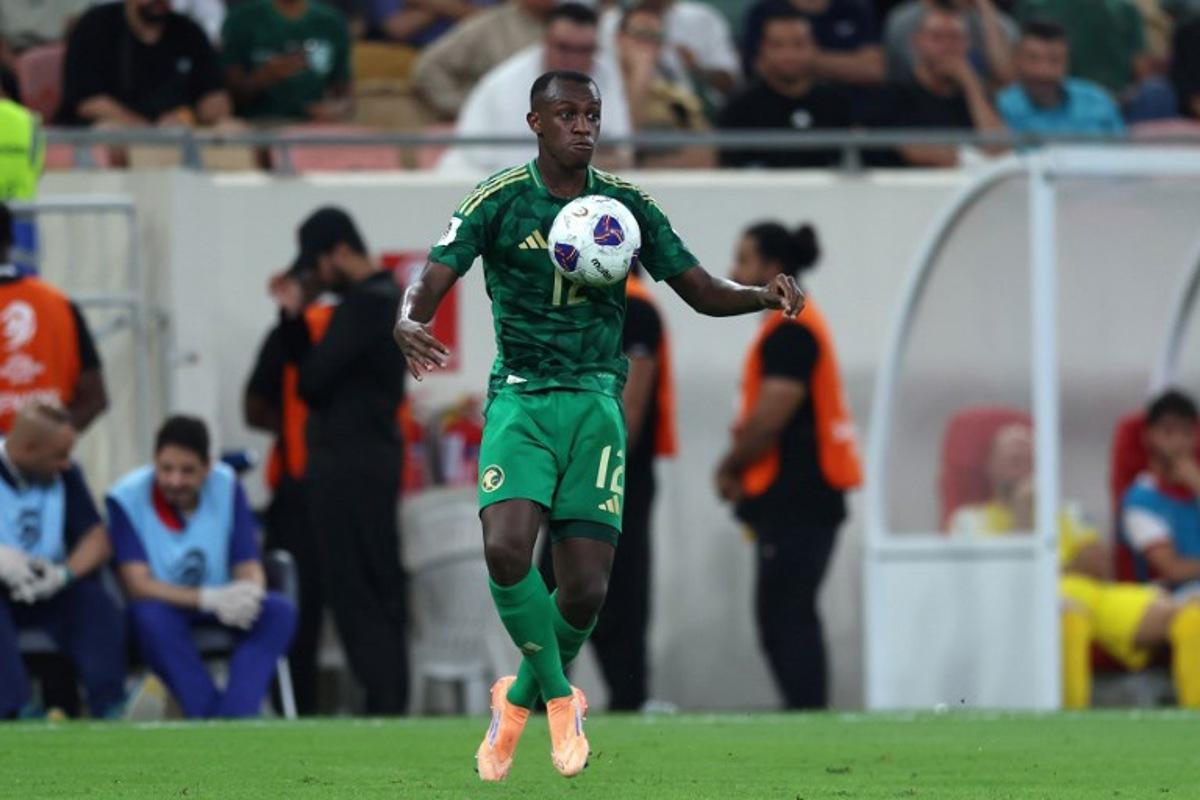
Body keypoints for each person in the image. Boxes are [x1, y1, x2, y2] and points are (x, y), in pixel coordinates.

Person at [393, 68, 803, 780]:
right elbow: (433, 275)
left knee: (583, 589)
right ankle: (561, 699)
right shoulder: (497, 201)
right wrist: (407, 321)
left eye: (592, 114)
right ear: (536, 123)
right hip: (521, 398)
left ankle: (514, 702)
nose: (583, 126)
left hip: (594, 403)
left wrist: (760, 296)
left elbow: (700, 290)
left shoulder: (625, 205)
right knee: (506, 547)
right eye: (567, 114)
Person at [950, 422, 1200, 709]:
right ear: (990, 466)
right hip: (1036, 607)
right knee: (1066, 616)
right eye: (1012, 457)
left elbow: (1099, 566)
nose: (1022, 463)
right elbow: (997, 583)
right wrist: (1023, 516)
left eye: (1028, 457)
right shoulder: (969, 520)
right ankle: (1068, 728)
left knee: (1191, 611)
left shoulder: (1067, 511)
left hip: (1095, 596)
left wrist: (1061, 564)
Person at [270, 207, 409, 715]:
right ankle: (387, 695)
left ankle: (383, 697)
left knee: (357, 584)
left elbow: (311, 381)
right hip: (369, 460)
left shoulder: (366, 303)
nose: (315, 277)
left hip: (350, 465)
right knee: (374, 579)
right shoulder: (383, 298)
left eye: (317, 264)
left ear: (338, 253)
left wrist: (293, 315)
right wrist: (293, 320)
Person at [716, 222, 861, 710]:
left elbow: (770, 418)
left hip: (799, 498)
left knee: (787, 616)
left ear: (771, 270)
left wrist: (730, 467)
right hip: (802, 498)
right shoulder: (791, 325)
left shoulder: (790, 330)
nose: (733, 272)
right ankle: (806, 714)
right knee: (784, 615)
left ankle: (809, 717)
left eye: (743, 260)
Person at [108, 416, 297, 718]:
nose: (175, 480)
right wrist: (206, 598)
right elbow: (137, 584)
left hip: (226, 604)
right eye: (166, 469)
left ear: (207, 467)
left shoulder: (227, 485)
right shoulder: (126, 497)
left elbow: (247, 561)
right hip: (166, 606)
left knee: (278, 611)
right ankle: (208, 714)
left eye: (187, 471)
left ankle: (237, 714)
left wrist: (249, 591)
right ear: (154, 462)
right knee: (148, 617)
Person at [0, 403, 126, 719]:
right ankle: (14, 710)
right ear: (28, 448)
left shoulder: (66, 477)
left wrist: (63, 575)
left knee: (94, 604)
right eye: (58, 455)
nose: (66, 464)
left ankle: (110, 705)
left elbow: (96, 539)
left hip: (47, 587)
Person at [243, 268, 332, 716]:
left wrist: (295, 430)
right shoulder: (368, 329)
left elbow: (254, 406)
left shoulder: (300, 332)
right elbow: (255, 404)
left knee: (301, 606)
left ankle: (294, 708)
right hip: (324, 490)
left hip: (303, 486)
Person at [438, 3, 633, 174]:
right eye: (564, 48)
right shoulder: (503, 85)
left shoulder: (605, 76)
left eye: (584, 50)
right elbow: (482, 158)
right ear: (545, 42)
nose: (574, 59)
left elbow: (621, 150)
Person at [0, 204, 108, 434]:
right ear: (10, 240)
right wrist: (49, 441)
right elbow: (94, 398)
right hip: (44, 463)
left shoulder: (59, 303)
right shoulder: (58, 303)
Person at [58, 0, 233, 127]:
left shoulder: (189, 31)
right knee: (107, 131)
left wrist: (189, 116)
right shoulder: (95, 26)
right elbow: (89, 103)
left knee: (231, 130)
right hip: (122, 131)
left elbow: (215, 97)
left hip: (181, 134)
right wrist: (150, 130)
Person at [870, 7, 1006, 167]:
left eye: (955, 38)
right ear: (917, 42)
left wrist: (972, 85)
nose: (947, 47)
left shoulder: (978, 97)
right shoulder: (893, 95)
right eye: (937, 38)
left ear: (967, 44)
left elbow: (1000, 149)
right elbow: (915, 152)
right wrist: (971, 159)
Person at [718, 10, 853, 168]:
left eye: (798, 44)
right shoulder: (740, 108)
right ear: (763, 49)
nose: (789, 55)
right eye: (778, 45)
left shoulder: (836, 103)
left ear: (814, 47)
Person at [412, 0, 558, 121]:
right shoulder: (491, 26)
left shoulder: (576, 28)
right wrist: (467, 110)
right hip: (503, 134)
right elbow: (429, 67)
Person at [615, 3, 714, 168]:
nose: (647, 45)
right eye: (640, 35)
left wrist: (645, 165)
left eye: (655, 38)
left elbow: (705, 154)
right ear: (619, 39)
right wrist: (640, 77)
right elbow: (621, 149)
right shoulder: (598, 84)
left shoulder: (673, 95)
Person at [221, 0, 352, 122]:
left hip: (313, 128)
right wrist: (262, 77)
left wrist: (336, 109)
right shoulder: (241, 19)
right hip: (255, 127)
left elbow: (345, 96)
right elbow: (225, 96)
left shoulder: (332, 21)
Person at [1121, 390, 1200, 591]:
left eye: (1186, 432)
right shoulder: (1140, 500)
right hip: (1174, 601)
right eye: (1168, 432)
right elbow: (1173, 569)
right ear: (1149, 435)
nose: (1178, 442)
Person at [599, 0, 741, 108]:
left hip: (687, 116)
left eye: (654, 37)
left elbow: (731, 82)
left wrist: (697, 69)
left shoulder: (702, 19)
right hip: (623, 107)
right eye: (642, 35)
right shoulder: (609, 23)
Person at [996, 20, 1125, 137]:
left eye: (1054, 60)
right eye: (1033, 59)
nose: (1043, 71)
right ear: (1017, 60)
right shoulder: (1002, 107)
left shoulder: (1097, 100)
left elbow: (1124, 154)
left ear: (1068, 62)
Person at [741, 0, 885, 86]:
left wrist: (811, 59)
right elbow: (759, 67)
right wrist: (846, 64)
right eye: (779, 45)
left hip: (851, 107)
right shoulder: (764, 11)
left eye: (799, 45)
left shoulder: (855, 8)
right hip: (777, 104)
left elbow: (873, 69)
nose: (792, 53)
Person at [884, 0, 1016, 86]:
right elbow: (929, 80)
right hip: (916, 110)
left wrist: (985, 7)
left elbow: (1006, 79)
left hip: (979, 108)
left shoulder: (1000, 24)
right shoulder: (904, 21)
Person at [361, 0, 498, 47]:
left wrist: (432, 4)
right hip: (406, 54)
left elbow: (492, 20)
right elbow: (398, 28)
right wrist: (453, 7)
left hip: (464, 54)